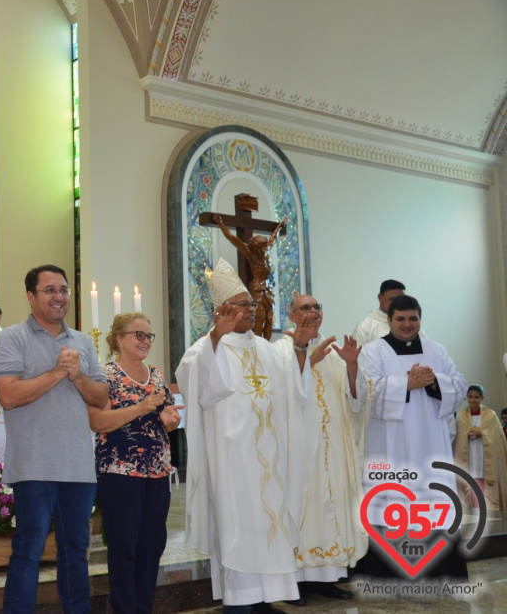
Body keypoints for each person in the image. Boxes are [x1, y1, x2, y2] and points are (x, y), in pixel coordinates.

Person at [175, 258, 321, 614]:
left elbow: (294, 393)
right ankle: (240, 600)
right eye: (244, 305)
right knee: (239, 527)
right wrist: (215, 337)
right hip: (234, 460)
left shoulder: (267, 349)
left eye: (253, 305)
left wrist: (300, 350)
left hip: (272, 457)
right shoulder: (204, 350)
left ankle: (265, 596)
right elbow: (203, 392)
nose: (252, 311)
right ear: (223, 310)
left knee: (272, 524)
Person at [0, 264, 108, 613]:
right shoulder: (12, 337)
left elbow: (100, 397)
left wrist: (78, 376)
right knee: (29, 548)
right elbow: (8, 396)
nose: (59, 297)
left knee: (76, 548)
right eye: (50, 290)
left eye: (64, 290)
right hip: (35, 465)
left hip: (77, 466)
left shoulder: (83, 341)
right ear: (31, 296)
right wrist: (59, 372)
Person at [357, 294, 468, 580]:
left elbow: (459, 385)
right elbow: (368, 393)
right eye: (401, 319)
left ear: (420, 319)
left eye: (413, 318)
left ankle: (441, 571)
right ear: (389, 320)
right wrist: (407, 383)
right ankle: (390, 573)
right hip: (390, 443)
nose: (407, 325)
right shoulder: (373, 351)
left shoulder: (436, 350)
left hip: (431, 441)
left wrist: (433, 383)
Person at [274, 293, 369, 605]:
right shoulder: (280, 349)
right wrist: (305, 362)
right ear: (290, 315)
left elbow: (355, 399)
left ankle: (328, 577)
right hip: (299, 447)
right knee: (302, 507)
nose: (312, 313)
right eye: (305, 308)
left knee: (332, 506)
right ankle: (294, 581)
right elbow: (276, 393)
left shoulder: (333, 350)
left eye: (317, 307)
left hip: (334, 448)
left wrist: (352, 366)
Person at [88, 312, 182, 614]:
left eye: (148, 336)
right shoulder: (105, 376)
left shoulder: (155, 374)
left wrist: (170, 419)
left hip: (157, 472)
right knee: (124, 548)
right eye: (138, 335)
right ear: (119, 339)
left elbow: (166, 416)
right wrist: (141, 408)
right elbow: (98, 422)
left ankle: (144, 608)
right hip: (120, 473)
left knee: (152, 546)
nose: (145, 341)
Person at [211, 214, 288, 338]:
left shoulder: (265, 252)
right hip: (257, 290)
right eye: (260, 248)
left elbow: (274, 238)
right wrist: (220, 223)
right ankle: (257, 340)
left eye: (264, 247)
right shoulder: (251, 255)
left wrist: (280, 226)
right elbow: (232, 238)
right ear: (255, 248)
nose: (263, 250)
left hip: (267, 290)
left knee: (269, 317)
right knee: (260, 316)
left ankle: (266, 344)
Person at [453, 385, 507, 511]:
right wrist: (467, 434)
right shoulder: (461, 417)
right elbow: (457, 439)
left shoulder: (491, 415)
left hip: (485, 459)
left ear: (482, 398)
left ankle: (489, 513)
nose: (473, 400)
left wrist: (482, 434)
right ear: (466, 398)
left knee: (485, 486)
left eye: (476, 397)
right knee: (470, 486)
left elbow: (499, 439)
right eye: (470, 397)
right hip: (469, 457)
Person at [352, 279, 405, 346]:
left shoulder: (410, 325)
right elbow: (356, 355)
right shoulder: (365, 327)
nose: (398, 303)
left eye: (401, 299)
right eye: (392, 299)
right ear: (380, 298)